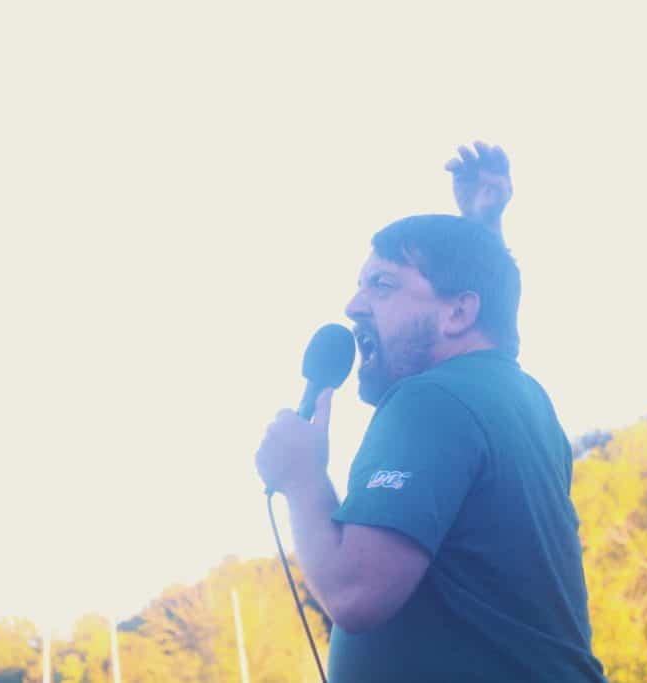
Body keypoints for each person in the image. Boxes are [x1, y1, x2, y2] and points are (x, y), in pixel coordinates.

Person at [255, 144, 607, 682]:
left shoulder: (430, 399)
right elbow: (489, 328)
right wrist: (479, 232)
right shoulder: (516, 395)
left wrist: (302, 480)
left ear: (461, 310)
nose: (353, 305)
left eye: (383, 284)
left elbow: (354, 594)